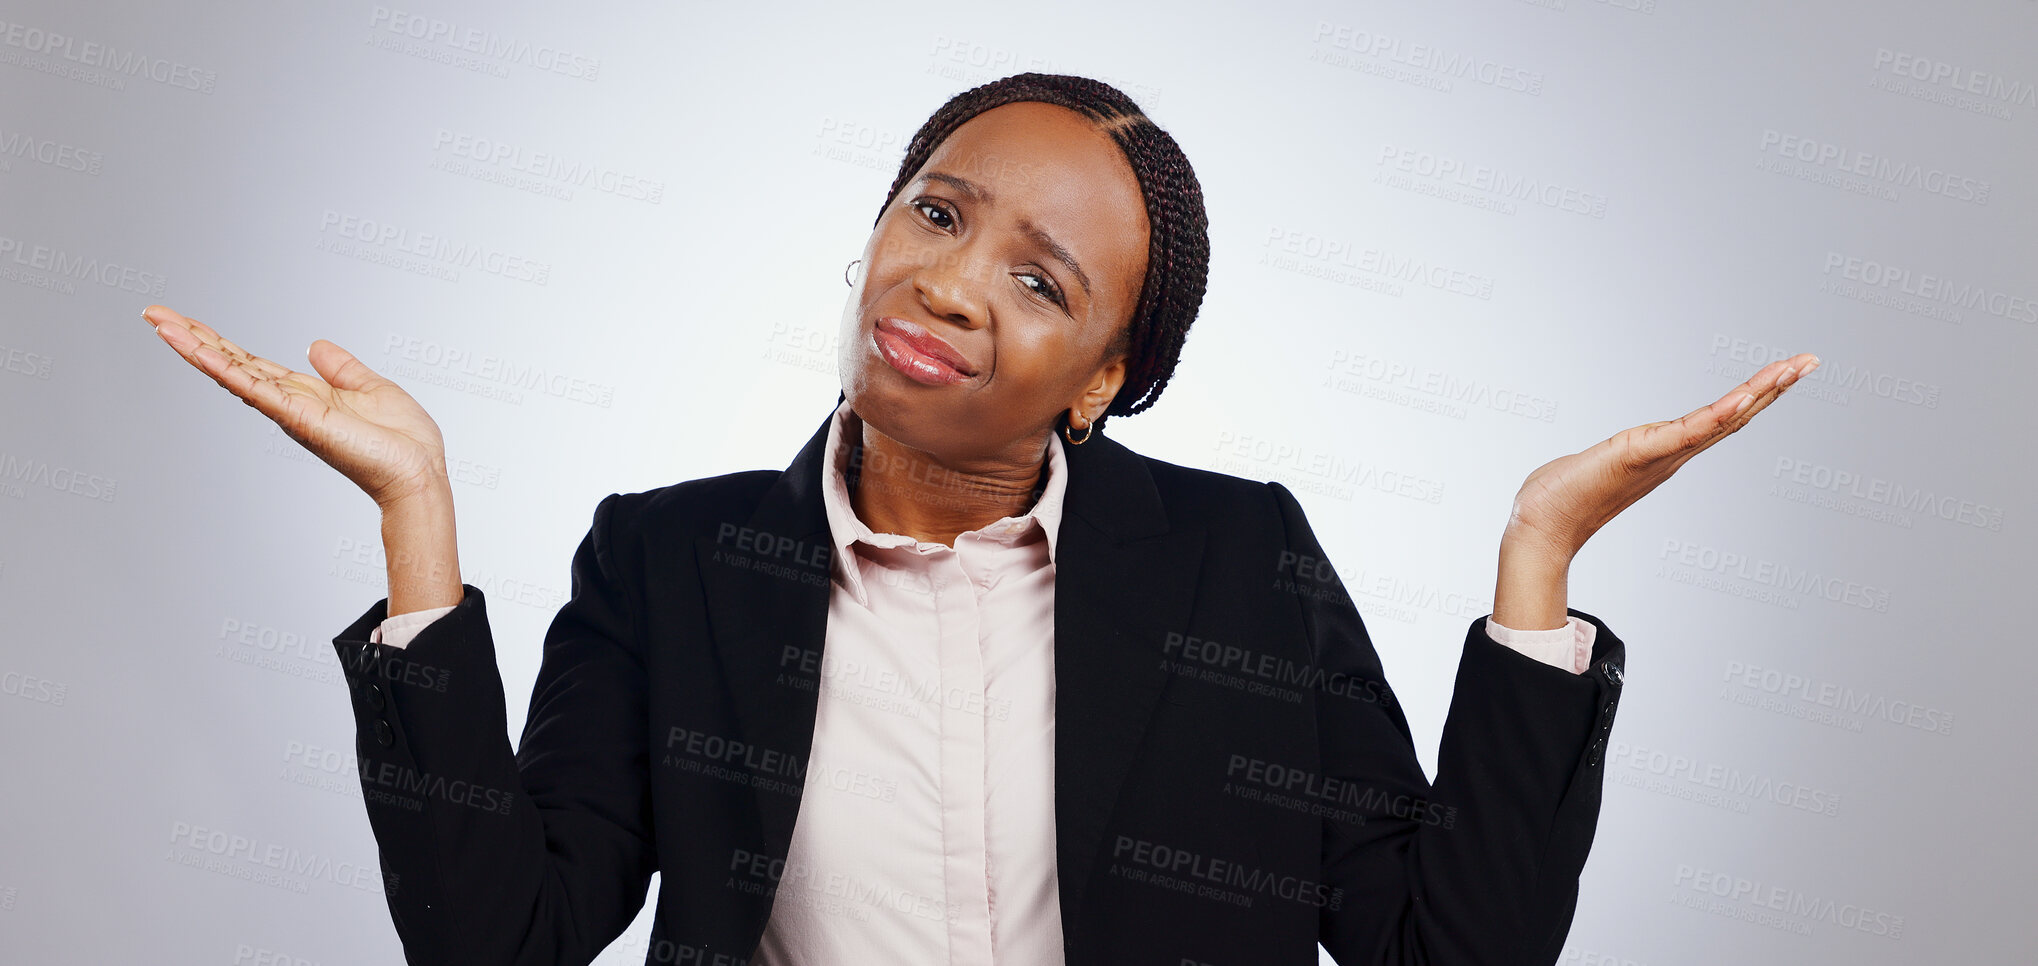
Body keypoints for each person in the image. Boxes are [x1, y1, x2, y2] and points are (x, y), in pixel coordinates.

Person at [142, 72, 1817, 966]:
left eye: (1037, 276)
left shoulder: (1242, 563)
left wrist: (1536, 568)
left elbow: (1436, 947)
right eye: (936, 211)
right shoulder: (668, 561)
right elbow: (497, 940)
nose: (947, 278)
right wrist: (418, 520)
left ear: (1103, 376)